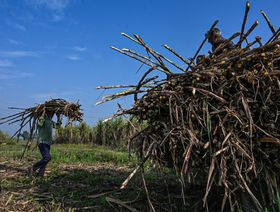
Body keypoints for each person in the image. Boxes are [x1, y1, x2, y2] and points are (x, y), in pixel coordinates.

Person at [29, 109, 62, 177]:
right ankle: (34, 167)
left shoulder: (50, 121)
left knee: (45, 159)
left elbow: (57, 126)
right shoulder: (41, 119)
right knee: (47, 157)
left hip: (48, 143)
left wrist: (58, 117)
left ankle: (40, 175)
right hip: (42, 142)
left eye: (52, 113)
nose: (51, 114)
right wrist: (43, 113)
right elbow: (40, 124)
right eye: (50, 112)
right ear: (47, 113)